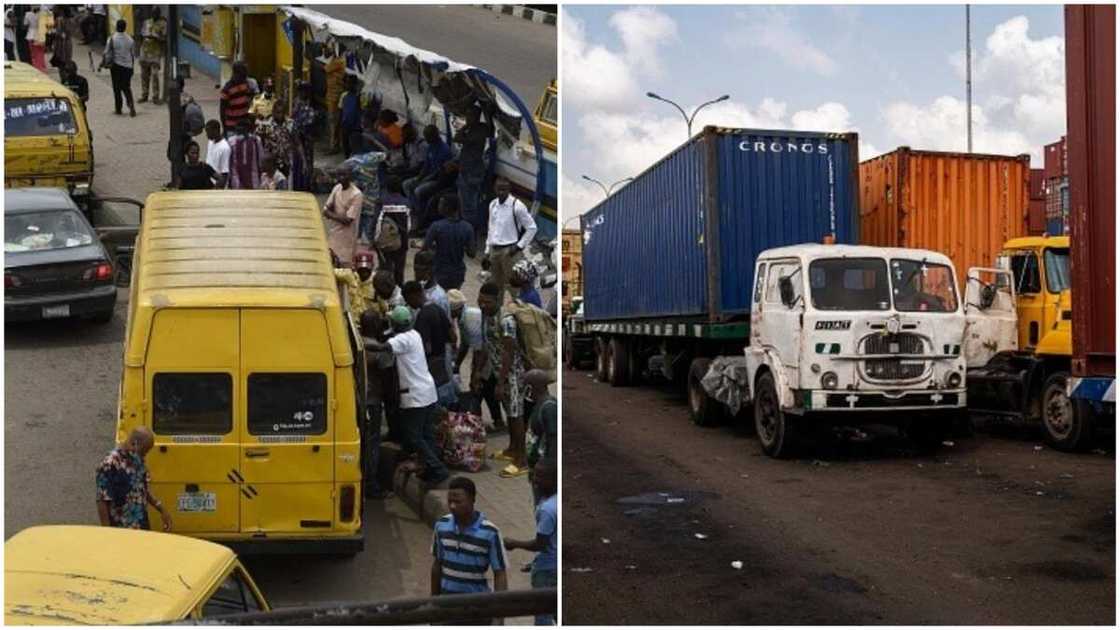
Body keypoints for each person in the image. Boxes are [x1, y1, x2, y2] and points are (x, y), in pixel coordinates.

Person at [364, 305, 449, 485]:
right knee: (427, 435)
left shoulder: (401, 340)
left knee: (413, 436)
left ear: (395, 324)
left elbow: (382, 348)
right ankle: (431, 469)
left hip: (415, 396)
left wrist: (361, 342)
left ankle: (438, 469)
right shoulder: (415, 334)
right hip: (427, 391)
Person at [475, 282, 530, 476]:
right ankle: (512, 448)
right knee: (510, 412)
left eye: (487, 302)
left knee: (516, 415)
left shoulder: (506, 320)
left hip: (512, 374)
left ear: (497, 301)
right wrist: (478, 371)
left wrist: (500, 382)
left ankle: (522, 460)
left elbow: (509, 352)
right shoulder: (486, 316)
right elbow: (485, 344)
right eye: (480, 301)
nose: (483, 305)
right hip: (499, 372)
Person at [431, 477, 508, 599]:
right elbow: (437, 564)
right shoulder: (441, 525)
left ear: (472, 499)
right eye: (449, 501)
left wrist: (499, 614)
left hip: (477, 607)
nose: (452, 506)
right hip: (446, 605)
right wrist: (433, 601)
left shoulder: (490, 532)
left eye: (458, 502)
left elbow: (499, 573)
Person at [505, 458, 557, 625]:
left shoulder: (548, 509)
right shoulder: (553, 501)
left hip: (547, 569)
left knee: (542, 616)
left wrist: (514, 543)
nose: (535, 480)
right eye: (534, 474)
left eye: (541, 476)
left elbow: (540, 545)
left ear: (554, 479)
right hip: (554, 564)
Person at [95, 427, 173, 531]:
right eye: (144, 452)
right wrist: (107, 532)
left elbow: (142, 489)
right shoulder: (110, 464)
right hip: (121, 531)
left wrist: (161, 509)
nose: (144, 455)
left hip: (141, 527)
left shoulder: (137, 459)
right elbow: (102, 500)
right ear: (134, 443)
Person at [450, 289, 504, 430]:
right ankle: (493, 421)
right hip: (486, 355)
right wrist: (457, 364)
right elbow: (465, 344)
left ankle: (476, 423)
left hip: (488, 357)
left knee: (478, 388)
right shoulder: (463, 318)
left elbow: (480, 349)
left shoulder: (470, 319)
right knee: (486, 389)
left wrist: (476, 373)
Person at [403, 280, 458, 409]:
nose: (408, 304)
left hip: (430, 367)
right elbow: (453, 336)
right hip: (443, 363)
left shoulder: (423, 316)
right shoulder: (437, 309)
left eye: (408, 300)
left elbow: (425, 348)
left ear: (414, 295)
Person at [359, 308, 394, 500]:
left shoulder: (354, 343)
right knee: (372, 444)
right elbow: (388, 377)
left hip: (357, 401)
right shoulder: (380, 350)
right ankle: (371, 485)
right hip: (372, 402)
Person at [486, 178, 538, 304]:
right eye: (499, 189)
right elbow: (491, 228)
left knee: (515, 288)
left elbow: (532, 228)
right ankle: (497, 318)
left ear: (509, 190)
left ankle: (521, 315)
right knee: (495, 288)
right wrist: (487, 250)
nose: (501, 192)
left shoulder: (517, 206)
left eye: (504, 189)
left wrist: (519, 246)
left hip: (510, 252)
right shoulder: (493, 204)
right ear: (495, 188)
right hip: (494, 251)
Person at [423, 195, 476, 291]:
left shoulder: (436, 226)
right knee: (453, 298)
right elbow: (472, 253)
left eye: (440, 204)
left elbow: (425, 248)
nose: (438, 206)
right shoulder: (467, 227)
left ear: (447, 207)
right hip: (458, 272)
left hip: (440, 271)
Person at [455, 106, 493, 236]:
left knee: (469, 206)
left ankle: (469, 233)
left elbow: (458, 138)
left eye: (470, 116)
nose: (468, 119)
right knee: (464, 202)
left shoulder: (480, 131)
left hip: (472, 172)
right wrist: (467, 126)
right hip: (466, 170)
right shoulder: (474, 128)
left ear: (476, 117)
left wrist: (466, 127)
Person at [403, 125, 453, 215]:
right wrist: (419, 177)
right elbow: (426, 166)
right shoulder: (430, 147)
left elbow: (440, 172)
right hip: (429, 176)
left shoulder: (444, 150)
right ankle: (414, 207)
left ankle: (421, 212)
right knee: (406, 184)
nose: (426, 139)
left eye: (428, 137)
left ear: (434, 136)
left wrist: (426, 179)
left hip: (439, 180)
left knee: (418, 191)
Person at [322, 167, 364, 267]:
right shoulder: (337, 188)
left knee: (345, 266)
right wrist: (332, 214)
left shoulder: (356, 194)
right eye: (339, 175)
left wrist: (330, 214)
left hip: (348, 236)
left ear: (350, 177)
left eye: (344, 175)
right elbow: (326, 208)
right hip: (334, 234)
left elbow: (348, 220)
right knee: (331, 263)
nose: (342, 178)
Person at [524, 370, 557, 490]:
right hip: (538, 469)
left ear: (532, 387)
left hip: (546, 473)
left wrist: (549, 469)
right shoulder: (538, 405)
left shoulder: (548, 408)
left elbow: (554, 440)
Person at [377, 177, 411, 286]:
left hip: (385, 240)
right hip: (402, 241)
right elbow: (409, 225)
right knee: (399, 269)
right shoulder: (406, 203)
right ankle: (399, 290)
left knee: (385, 267)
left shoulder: (382, 201)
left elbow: (377, 222)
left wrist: (375, 239)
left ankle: (385, 290)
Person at [102, 19, 135, 117]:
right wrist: (132, 67)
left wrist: (104, 63)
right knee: (126, 87)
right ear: (125, 27)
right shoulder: (130, 39)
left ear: (116, 26)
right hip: (128, 66)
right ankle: (131, 104)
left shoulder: (112, 38)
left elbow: (106, 52)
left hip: (116, 66)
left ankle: (118, 109)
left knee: (117, 88)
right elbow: (132, 54)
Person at [257, 98, 298, 176]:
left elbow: (297, 142)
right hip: (270, 163)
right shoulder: (266, 124)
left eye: (282, 112)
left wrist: (303, 161)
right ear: (273, 112)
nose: (280, 115)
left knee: (284, 183)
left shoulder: (290, 123)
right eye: (277, 112)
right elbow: (259, 140)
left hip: (285, 161)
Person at [335, 252, 376, 323]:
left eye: (367, 268)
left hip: (369, 324)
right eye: (361, 268)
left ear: (372, 267)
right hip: (351, 322)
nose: (364, 272)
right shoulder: (349, 275)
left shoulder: (377, 282)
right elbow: (331, 271)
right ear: (356, 267)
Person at [291, 82, 317, 192]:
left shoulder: (305, 102)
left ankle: (307, 184)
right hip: (301, 136)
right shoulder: (299, 103)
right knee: (302, 160)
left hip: (307, 136)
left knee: (308, 160)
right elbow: (298, 120)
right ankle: (303, 184)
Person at [137, 7, 165, 104]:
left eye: (156, 13)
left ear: (159, 13)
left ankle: (155, 96)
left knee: (155, 75)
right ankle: (144, 95)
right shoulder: (147, 22)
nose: (154, 14)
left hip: (155, 53)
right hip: (144, 52)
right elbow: (141, 34)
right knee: (144, 75)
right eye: (153, 13)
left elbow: (164, 38)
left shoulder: (163, 24)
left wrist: (156, 37)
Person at [413, 250, 450, 318]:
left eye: (418, 269)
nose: (415, 273)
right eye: (415, 269)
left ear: (429, 270)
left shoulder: (439, 297)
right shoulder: (418, 288)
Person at [228, 119, 263, 190]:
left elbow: (260, 158)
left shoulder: (256, 140)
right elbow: (229, 160)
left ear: (247, 129)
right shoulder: (231, 141)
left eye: (243, 128)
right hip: (236, 175)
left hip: (253, 176)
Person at [220, 61, 252, 136]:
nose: (245, 76)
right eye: (243, 73)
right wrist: (224, 129)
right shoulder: (227, 89)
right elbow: (222, 111)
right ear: (236, 73)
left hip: (244, 126)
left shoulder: (245, 84)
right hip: (232, 128)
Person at [339, 75, 362, 157]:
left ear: (355, 84)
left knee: (355, 150)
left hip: (355, 128)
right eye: (347, 83)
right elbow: (341, 111)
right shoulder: (344, 96)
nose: (348, 85)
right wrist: (341, 125)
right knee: (347, 150)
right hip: (345, 127)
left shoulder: (359, 97)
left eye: (350, 83)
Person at [204, 119, 231, 189]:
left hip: (217, 185)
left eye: (208, 131)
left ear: (215, 130)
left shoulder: (225, 148)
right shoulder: (210, 142)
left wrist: (216, 189)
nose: (206, 134)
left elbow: (225, 173)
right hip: (207, 183)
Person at [49, 6, 73, 70]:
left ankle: (63, 69)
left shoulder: (59, 19)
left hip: (61, 42)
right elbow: (70, 31)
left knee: (60, 57)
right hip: (68, 41)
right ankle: (67, 68)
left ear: (61, 11)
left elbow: (56, 30)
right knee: (67, 57)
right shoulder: (70, 20)